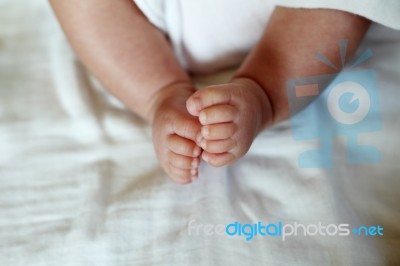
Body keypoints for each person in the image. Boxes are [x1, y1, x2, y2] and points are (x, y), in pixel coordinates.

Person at [49, 0, 371, 184]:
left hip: (283, 11)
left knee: (342, 7)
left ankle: (264, 92)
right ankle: (160, 90)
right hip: (147, 13)